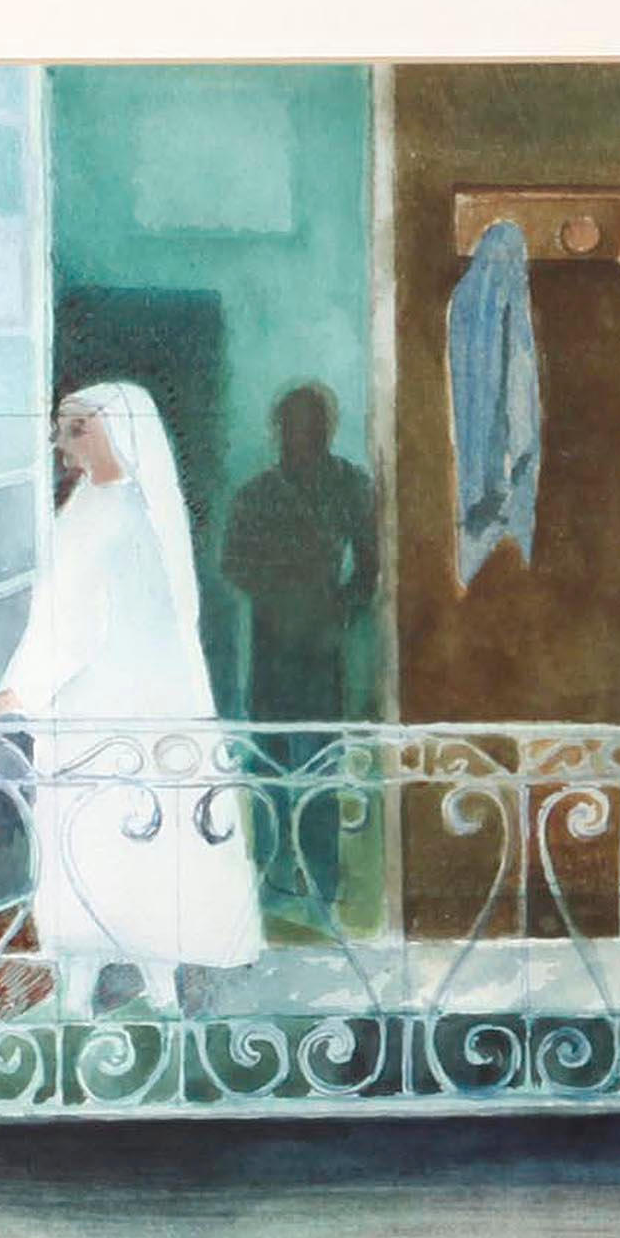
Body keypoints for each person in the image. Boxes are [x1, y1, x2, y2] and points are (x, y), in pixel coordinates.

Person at [0, 381, 265, 1013]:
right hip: (97, 710)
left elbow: (75, 628)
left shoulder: (120, 515)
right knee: (98, 848)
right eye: (62, 429)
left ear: (118, 432)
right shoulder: (97, 507)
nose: (63, 444)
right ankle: (93, 992)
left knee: (125, 848)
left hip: (115, 711)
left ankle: (140, 991)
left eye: (78, 429)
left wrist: (14, 694)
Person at [221, 382, 379, 911]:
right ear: (279, 431)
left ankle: (322, 878)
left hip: (322, 647)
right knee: (268, 761)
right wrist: (279, 586)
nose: (303, 435)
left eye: (313, 425)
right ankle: (270, 879)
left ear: (328, 429)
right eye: (293, 426)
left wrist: (339, 607)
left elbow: (372, 563)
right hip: (271, 643)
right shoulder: (257, 494)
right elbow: (233, 563)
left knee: (321, 763)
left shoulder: (350, 486)